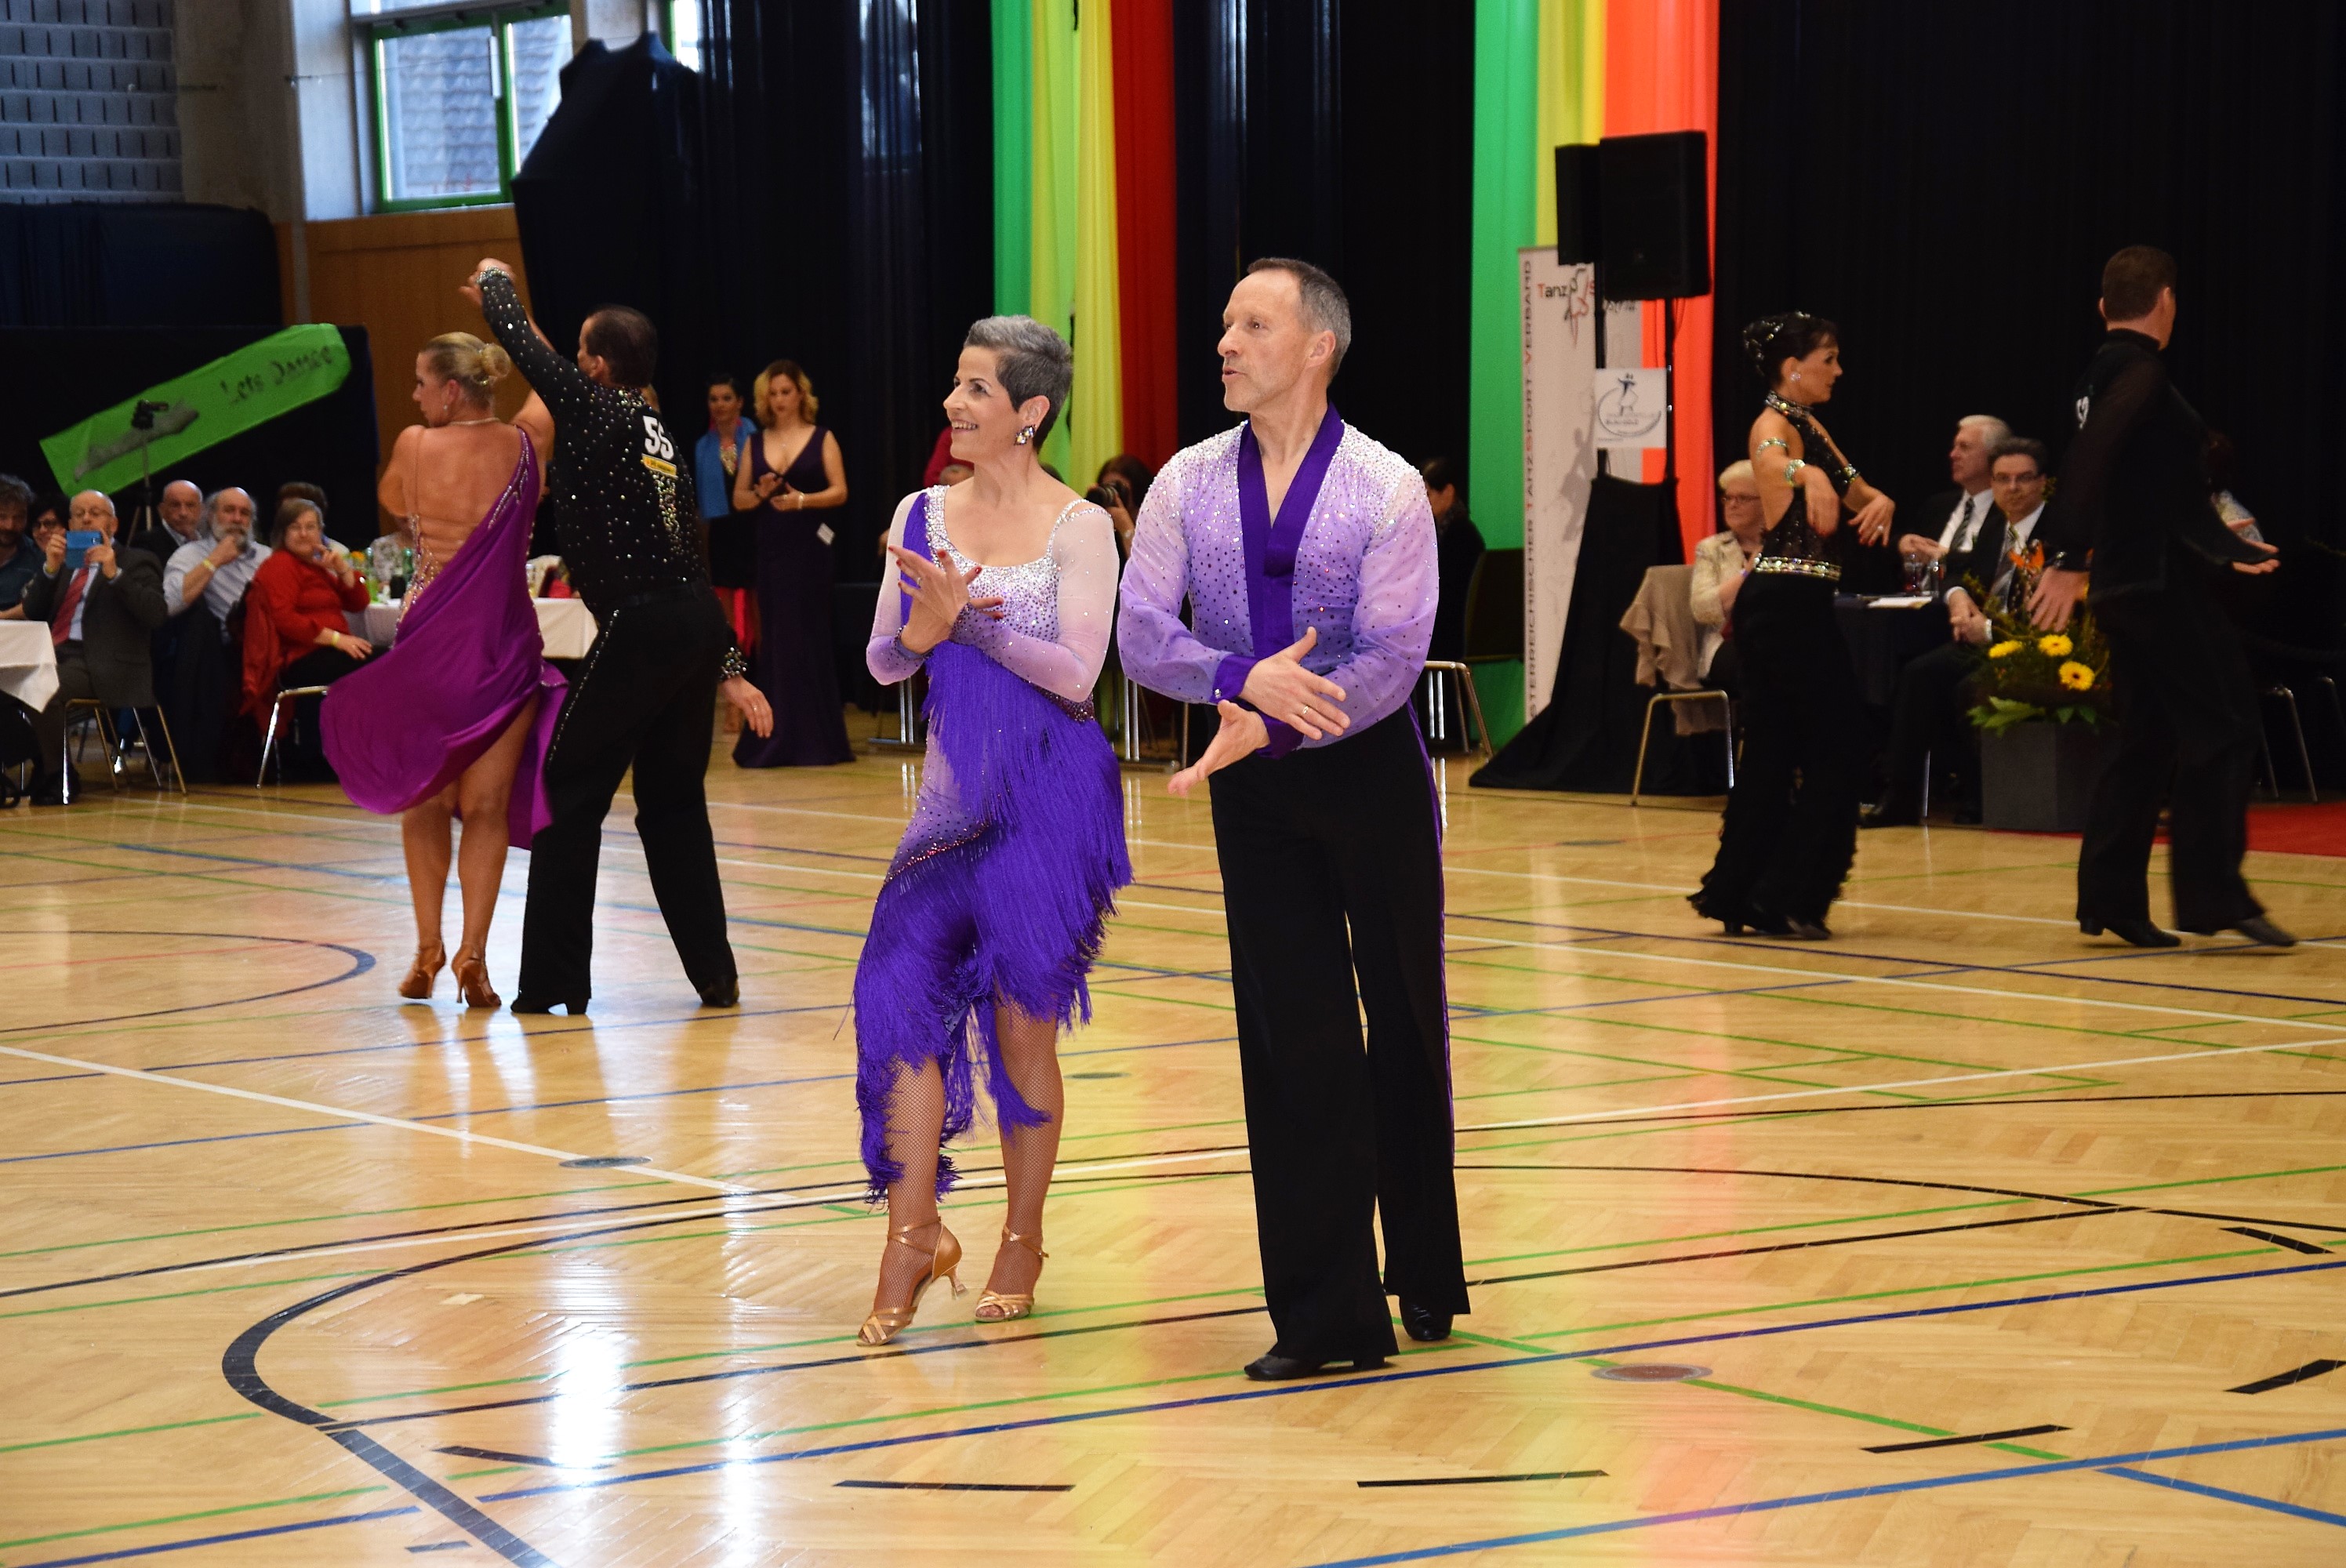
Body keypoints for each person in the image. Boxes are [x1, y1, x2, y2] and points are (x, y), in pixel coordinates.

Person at [1119, 257, 1466, 1381]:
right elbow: (1139, 632)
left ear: (1319, 346)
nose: (1224, 342)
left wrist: (1269, 716)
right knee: (1293, 1037)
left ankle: (1424, 1265)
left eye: (1253, 325)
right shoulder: (1184, 481)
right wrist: (1237, 678)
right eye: (1225, 323)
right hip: (1254, 787)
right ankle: (1329, 1316)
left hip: (1367, 775)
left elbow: (1394, 658)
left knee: (1404, 1021)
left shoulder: (1384, 486)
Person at [850, 315, 1128, 1346]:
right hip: (950, 812)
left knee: (1020, 1033)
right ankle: (913, 1233)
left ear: (1030, 411)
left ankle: (1021, 1237)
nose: (953, 403)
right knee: (893, 1004)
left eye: (975, 388)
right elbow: (884, 660)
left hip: (1050, 808)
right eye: (956, 383)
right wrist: (921, 633)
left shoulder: (1079, 526)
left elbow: (1079, 675)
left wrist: (966, 624)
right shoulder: (920, 512)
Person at [462, 258, 772, 1014]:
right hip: (687, 623)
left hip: (643, 626)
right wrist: (728, 662)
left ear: (597, 366)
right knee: (673, 802)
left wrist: (497, 283)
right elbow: (689, 556)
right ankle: (715, 975)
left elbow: (521, 345)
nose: (571, 363)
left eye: (580, 352)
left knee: (567, 788)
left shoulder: (597, 408)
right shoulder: (655, 431)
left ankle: (554, 982)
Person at [2028, 246, 2289, 949]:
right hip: (2154, 586)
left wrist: (2228, 548)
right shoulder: (2140, 372)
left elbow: (2152, 488)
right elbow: (2091, 459)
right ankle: (2213, 896)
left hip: (2128, 584)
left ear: (2103, 306)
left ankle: (2110, 898)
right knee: (2226, 724)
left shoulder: (2098, 373)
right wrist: (2065, 556)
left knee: (2148, 738)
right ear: (2167, 301)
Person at [324, 331, 566, 1010]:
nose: (415, 396)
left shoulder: (414, 445)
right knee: (486, 807)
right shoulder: (526, 445)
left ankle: (427, 947)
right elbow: (553, 375)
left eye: (422, 383)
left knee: (424, 800)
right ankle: (473, 954)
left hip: (430, 639)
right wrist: (505, 304)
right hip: (501, 642)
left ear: (452, 390)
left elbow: (393, 500)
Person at [1690, 314, 1895, 940]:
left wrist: (1882, 502)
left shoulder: (1809, 424)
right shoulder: (1771, 426)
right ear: (1792, 368)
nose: (1838, 370)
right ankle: (1787, 893)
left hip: (1798, 604)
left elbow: (1859, 491)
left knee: (1776, 751)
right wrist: (1804, 474)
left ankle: (1747, 893)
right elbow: (1772, 463)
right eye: (1828, 359)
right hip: (1780, 607)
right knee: (1840, 745)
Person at [1864, 437, 2049, 827]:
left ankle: (1980, 795)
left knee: (1969, 686)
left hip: (2035, 644)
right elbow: (1961, 574)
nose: (2012, 488)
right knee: (1918, 674)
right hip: (1986, 638)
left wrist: (1989, 628)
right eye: (2002, 479)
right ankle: (1900, 795)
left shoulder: (2059, 532)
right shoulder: (1997, 524)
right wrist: (1958, 598)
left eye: (2023, 478)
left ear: (2043, 482)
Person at [730, 359, 854, 767]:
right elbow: (739, 499)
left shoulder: (822, 437)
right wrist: (762, 493)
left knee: (810, 636)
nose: (779, 400)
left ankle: (817, 739)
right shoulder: (755, 441)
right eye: (773, 393)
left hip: (811, 551)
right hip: (772, 551)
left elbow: (840, 491)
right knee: (777, 640)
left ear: (801, 394)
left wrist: (803, 500)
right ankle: (775, 733)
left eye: (786, 391)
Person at [20, 489, 168, 804]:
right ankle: (45, 764)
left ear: (113, 524)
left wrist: (115, 574)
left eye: (95, 513)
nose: (86, 519)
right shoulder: (64, 563)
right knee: (10, 686)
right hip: (53, 655)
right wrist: (49, 570)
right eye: (78, 514)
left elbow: (156, 614)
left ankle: (57, 775)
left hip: (104, 662)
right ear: (70, 524)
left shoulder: (137, 561)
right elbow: (33, 611)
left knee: (39, 687)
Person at [241, 498, 372, 778]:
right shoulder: (279, 565)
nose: (304, 534)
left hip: (323, 653)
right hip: (299, 657)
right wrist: (337, 639)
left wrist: (343, 569)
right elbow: (284, 619)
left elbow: (359, 602)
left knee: (388, 660)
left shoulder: (314, 566)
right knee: (385, 662)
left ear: (321, 532)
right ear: (282, 533)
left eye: (311, 527)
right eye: (295, 527)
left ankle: (357, 752)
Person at [1892, 416, 2010, 588]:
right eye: (1954, 447)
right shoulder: (1938, 506)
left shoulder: (2008, 512)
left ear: (1994, 455)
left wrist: (1944, 557)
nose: (1953, 455)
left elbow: (1990, 564)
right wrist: (1902, 544)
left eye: (1964, 447)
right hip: (1918, 600)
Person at [1690, 459, 1766, 692]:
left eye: (1742, 498)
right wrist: (1747, 572)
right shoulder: (1711, 549)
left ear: (1766, 502)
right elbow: (1702, 608)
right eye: (1728, 498)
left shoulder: (1784, 548)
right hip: (1728, 645)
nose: (1732, 505)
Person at [696, 374, 759, 654]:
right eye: (714, 399)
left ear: (740, 402)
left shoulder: (755, 437)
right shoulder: (703, 446)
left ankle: (761, 663)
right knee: (725, 599)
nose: (719, 405)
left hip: (753, 527)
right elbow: (703, 504)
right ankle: (734, 661)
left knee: (757, 601)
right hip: (721, 532)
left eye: (726, 398)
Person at [162, 488, 268, 621]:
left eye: (244, 513)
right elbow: (169, 604)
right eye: (229, 511)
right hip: (226, 633)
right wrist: (214, 560)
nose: (237, 519)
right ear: (211, 517)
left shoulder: (266, 556)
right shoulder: (190, 554)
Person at [1418, 456, 1484, 662]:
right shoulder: (1443, 531)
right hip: (1445, 635)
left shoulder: (1461, 535)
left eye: (1428, 494)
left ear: (1448, 492)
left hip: (1452, 640)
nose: (1423, 502)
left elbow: (1448, 597)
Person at [125, 478, 204, 565]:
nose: (183, 513)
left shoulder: (209, 538)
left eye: (190, 505)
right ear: (162, 510)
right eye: (175, 505)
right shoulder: (146, 543)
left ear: (201, 509)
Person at [0, 473, 38, 616]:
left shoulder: (37, 557)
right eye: (2, 516)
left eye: (19, 517)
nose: (10, 526)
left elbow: (40, 606)